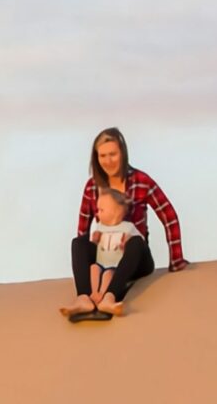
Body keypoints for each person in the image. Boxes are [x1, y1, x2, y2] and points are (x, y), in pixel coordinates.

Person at [62, 127, 188, 318]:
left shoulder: (141, 181)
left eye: (113, 154)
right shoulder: (92, 187)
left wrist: (176, 260)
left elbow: (168, 215)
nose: (108, 161)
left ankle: (110, 297)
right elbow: (83, 227)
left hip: (136, 259)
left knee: (135, 241)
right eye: (102, 156)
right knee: (78, 242)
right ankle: (84, 298)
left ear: (123, 153)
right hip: (105, 257)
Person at [82, 188, 142, 317]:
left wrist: (126, 242)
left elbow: (138, 243)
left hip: (114, 265)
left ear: (115, 212)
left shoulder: (128, 227)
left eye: (101, 210)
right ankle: (94, 293)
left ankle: (104, 295)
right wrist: (95, 238)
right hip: (101, 262)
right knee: (93, 268)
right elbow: (95, 242)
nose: (97, 214)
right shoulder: (100, 227)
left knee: (108, 274)